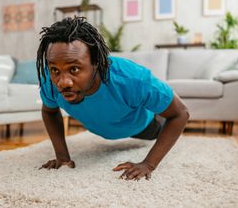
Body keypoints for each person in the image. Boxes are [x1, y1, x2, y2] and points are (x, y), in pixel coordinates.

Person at [36, 16, 190, 181]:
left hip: (144, 126)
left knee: (163, 123)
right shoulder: (49, 81)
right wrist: (62, 157)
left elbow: (181, 113)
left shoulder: (132, 79)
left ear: (96, 63)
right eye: (55, 70)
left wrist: (148, 164)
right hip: (106, 126)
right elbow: (49, 112)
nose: (62, 82)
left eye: (74, 69)